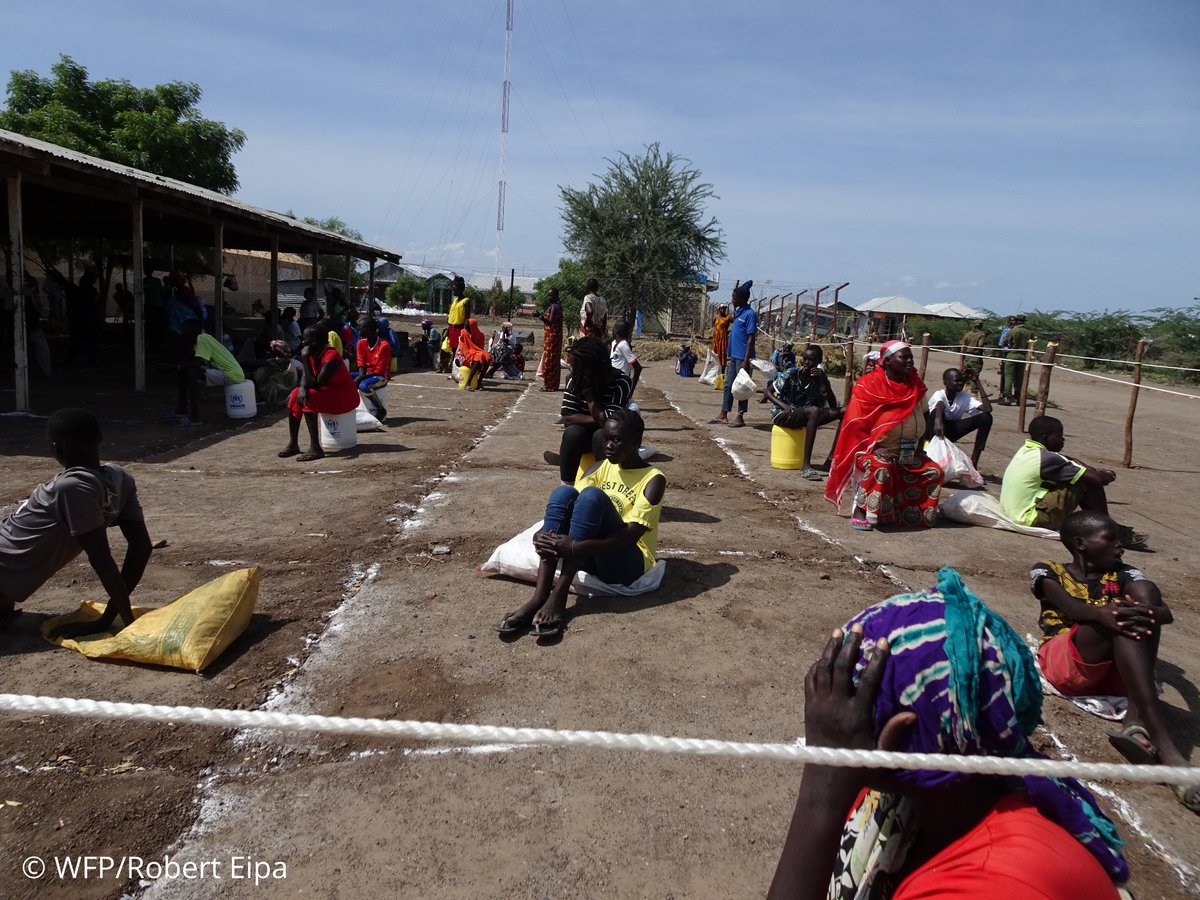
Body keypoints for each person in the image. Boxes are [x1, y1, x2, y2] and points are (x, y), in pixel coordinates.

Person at [768, 569, 1129, 899]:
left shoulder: (999, 884)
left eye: (844, 711)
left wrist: (822, 795)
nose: (824, 723)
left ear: (896, 736)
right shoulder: (952, 790)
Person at [1030, 511, 1197, 814]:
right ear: (1081, 544)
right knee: (1119, 617)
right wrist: (1107, 613)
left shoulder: (1125, 574)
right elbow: (1071, 608)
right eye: (1110, 539)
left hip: (1117, 671)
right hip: (1067, 663)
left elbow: (1164, 613)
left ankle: (1135, 721)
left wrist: (1142, 612)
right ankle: (1167, 747)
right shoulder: (1048, 570)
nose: (1120, 546)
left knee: (1142, 599)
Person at [495, 409, 665, 638]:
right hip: (592, 556)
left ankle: (559, 595)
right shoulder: (600, 467)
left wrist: (576, 548)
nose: (608, 446)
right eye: (605, 439)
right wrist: (544, 533)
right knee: (564, 493)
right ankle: (540, 595)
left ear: (637, 442)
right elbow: (569, 508)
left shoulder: (653, 479)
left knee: (593, 497)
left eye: (615, 440)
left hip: (627, 561)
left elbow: (630, 537)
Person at [0, 408, 152, 640]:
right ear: (100, 439)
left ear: (56, 449)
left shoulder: (74, 487)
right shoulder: (120, 478)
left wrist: (119, 621)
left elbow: (107, 557)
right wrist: (116, 618)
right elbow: (138, 547)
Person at [825, 340, 944, 531]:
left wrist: (920, 449)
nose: (909, 361)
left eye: (911, 357)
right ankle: (861, 511)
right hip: (870, 450)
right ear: (888, 360)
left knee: (934, 471)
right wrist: (877, 447)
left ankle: (904, 514)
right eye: (904, 357)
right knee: (882, 467)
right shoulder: (869, 386)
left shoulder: (916, 386)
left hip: (907, 450)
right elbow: (855, 426)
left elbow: (924, 415)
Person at [1000, 415, 1148, 548]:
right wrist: (1105, 475)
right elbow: (1097, 479)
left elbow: (1069, 460)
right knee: (1084, 482)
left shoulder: (1028, 450)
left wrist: (1086, 468)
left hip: (1015, 513)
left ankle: (1108, 527)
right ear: (1045, 438)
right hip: (1031, 519)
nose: (1063, 440)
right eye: (1059, 437)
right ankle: (1110, 530)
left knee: (1079, 476)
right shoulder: (1048, 459)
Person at [544, 336, 634, 484]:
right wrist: (601, 419)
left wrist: (588, 393)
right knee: (573, 433)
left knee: (601, 436)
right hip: (585, 435)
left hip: (612, 440)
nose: (574, 370)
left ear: (593, 367)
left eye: (578, 367)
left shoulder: (621, 382)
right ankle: (566, 486)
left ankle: (605, 487)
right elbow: (567, 418)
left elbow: (609, 424)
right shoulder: (575, 379)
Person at [278, 326, 360, 462]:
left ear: (315, 342)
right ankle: (293, 443)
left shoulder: (331, 356)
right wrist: (302, 387)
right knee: (295, 394)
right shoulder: (313, 353)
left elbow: (316, 383)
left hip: (344, 397)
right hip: (328, 393)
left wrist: (304, 358)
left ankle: (315, 447)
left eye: (306, 340)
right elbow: (306, 375)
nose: (303, 343)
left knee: (309, 396)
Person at [765, 345, 843, 481]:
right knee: (814, 410)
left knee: (844, 411)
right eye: (805, 359)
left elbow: (832, 405)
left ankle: (830, 459)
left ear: (819, 361)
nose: (807, 363)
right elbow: (768, 392)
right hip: (784, 414)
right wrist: (783, 406)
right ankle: (806, 465)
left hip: (806, 414)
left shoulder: (819, 379)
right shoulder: (792, 373)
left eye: (811, 360)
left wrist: (825, 381)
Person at [173, 318, 246, 426]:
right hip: (224, 371)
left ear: (194, 330)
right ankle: (182, 408)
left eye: (185, 329)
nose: (183, 332)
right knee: (186, 371)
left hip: (231, 374)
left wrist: (178, 367)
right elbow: (194, 361)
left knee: (191, 372)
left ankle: (195, 415)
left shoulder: (202, 338)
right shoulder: (200, 341)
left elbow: (196, 364)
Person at [924, 367, 993, 468]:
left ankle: (974, 461)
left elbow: (987, 409)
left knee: (986, 418)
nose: (960, 383)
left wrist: (977, 382)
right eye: (956, 380)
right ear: (945, 383)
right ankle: (926, 452)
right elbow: (939, 405)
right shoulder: (939, 394)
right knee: (936, 414)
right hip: (930, 435)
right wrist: (938, 420)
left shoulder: (963, 397)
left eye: (961, 380)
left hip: (949, 432)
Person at [710, 279, 757, 428]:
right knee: (728, 385)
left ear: (742, 299)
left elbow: (751, 338)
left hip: (743, 357)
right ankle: (723, 413)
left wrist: (746, 359)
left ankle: (740, 416)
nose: (732, 300)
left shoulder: (750, 314)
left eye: (734, 297)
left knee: (742, 386)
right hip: (734, 355)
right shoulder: (738, 312)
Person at [354, 318, 392, 419]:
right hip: (366, 373)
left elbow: (380, 370)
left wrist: (361, 378)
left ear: (370, 330)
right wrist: (361, 376)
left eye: (361, 329)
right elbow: (360, 362)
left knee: (364, 386)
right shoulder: (361, 343)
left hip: (380, 376)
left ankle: (380, 408)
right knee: (345, 377)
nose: (359, 331)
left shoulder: (384, 346)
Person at [1000, 314, 1034, 404]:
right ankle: (1018, 397)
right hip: (1023, 357)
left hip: (1012, 355)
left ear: (1017, 321)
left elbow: (1004, 342)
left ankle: (1007, 398)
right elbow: (1032, 344)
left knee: (1009, 378)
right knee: (1019, 378)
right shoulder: (1029, 332)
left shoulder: (1012, 331)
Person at [539, 287, 564, 392]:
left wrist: (540, 317)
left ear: (556, 296)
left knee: (549, 360)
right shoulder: (556, 307)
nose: (549, 297)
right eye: (548, 295)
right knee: (553, 360)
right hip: (553, 337)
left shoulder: (554, 307)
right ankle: (553, 384)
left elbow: (550, 322)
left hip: (552, 337)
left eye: (551, 295)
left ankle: (549, 385)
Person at [456, 317, 492, 390]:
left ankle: (479, 382)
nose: (465, 328)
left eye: (467, 326)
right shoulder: (464, 332)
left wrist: (476, 352)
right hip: (463, 356)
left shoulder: (480, 335)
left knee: (488, 357)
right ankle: (468, 383)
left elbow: (480, 349)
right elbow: (464, 349)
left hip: (475, 353)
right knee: (478, 358)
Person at [609, 320, 643, 394]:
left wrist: (631, 389)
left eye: (614, 328)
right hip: (612, 380)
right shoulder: (614, 342)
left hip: (620, 382)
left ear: (617, 331)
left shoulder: (623, 345)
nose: (612, 330)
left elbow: (638, 367)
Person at [446, 275, 470, 357]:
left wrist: (466, 332)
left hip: (460, 329)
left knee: (459, 349)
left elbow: (467, 319)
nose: (453, 289)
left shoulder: (466, 301)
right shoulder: (455, 300)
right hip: (451, 328)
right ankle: (453, 364)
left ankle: (458, 365)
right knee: (453, 348)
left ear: (460, 289)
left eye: (455, 287)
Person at [711, 303, 733, 370]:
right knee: (716, 353)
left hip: (723, 339)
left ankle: (722, 373)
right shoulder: (716, 317)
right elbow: (713, 325)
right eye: (721, 308)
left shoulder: (728, 317)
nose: (723, 310)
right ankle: (715, 372)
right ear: (719, 309)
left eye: (724, 308)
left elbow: (736, 324)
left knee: (723, 354)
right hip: (716, 339)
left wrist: (729, 331)